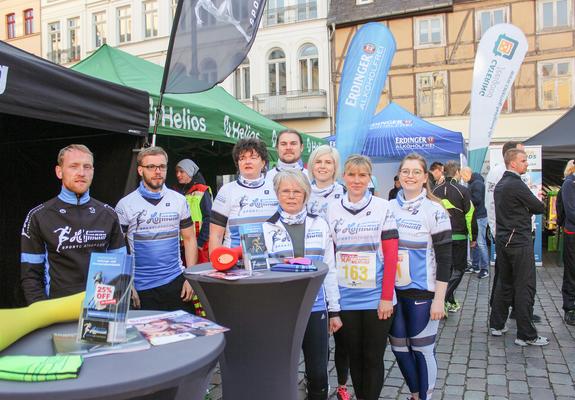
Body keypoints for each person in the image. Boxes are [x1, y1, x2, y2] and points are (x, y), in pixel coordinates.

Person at [262, 169, 342, 400]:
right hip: (282, 311)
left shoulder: (321, 224)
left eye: (297, 191)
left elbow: (329, 269)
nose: (291, 196)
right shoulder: (266, 228)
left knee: (318, 373)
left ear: (306, 194)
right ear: (277, 194)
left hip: (316, 308)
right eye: (285, 191)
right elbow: (258, 272)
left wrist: (334, 310)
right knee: (282, 371)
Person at [326, 155, 398, 400]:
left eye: (362, 175)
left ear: (370, 178)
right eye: (352, 175)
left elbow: (391, 257)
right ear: (343, 177)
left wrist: (386, 297)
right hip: (345, 297)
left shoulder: (382, 207)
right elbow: (330, 253)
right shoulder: (332, 208)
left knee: (373, 357)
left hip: (376, 297)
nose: (357, 180)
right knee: (354, 355)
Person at [21, 144, 126, 305]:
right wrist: (41, 313)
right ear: (59, 171)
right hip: (56, 310)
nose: (81, 173)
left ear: (93, 171)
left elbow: (120, 268)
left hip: (99, 309)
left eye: (87, 167)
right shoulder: (38, 216)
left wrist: (113, 309)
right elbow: (30, 276)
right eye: (73, 166)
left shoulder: (108, 214)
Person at [389, 153, 451, 400]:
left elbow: (447, 260)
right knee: (399, 348)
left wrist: (439, 299)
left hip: (423, 293)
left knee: (422, 349)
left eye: (416, 172)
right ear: (399, 176)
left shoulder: (435, 210)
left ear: (425, 177)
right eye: (406, 171)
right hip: (394, 293)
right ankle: (416, 395)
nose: (410, 176)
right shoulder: (389, 206)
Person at [115, 146, 198, 312]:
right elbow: (116, 248)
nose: (157, 171)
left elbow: (189, 239)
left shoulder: (179, 200)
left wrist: (191, 278)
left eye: (162, 166)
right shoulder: (125, 205)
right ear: (140, 170)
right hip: (141, 288)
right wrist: (125, 285)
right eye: (151, 167)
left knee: (184, 336)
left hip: (176, 283)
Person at [489, 149, 548, 346]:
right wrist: (528, 206)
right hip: (519, 241)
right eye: (523, 161)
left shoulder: (501, 184)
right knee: (525, 286)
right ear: (512, 163)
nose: (526, 164)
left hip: (503, 240)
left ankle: (497, 324)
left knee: (504, 283)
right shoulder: (515, 184)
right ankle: (526, 335)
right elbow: (539, 206)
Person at [305, 145, 349, 400]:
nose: (322, 166)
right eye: (318, 161)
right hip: (313, 270)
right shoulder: (303, 191)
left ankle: (342, 383)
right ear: (312, 165)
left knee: (341, 332)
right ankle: (316, 377)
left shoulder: (343, 194)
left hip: (341, 269)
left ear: (335, 167)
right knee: (317, 336)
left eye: (328, 162)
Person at [209, 138, 278, 251]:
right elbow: (215, 236)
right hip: (235, 261)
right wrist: (216, 264)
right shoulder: (226, 190)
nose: (247, 161)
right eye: (242, 158)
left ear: (263, 162)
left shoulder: (276, 188)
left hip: (270, 260)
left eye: (253, 157)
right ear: (238, 163)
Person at [432, 161, 477, 313]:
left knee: (445, 270)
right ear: (457, 172)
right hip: (458, 237)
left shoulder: (435, 190)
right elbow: (470, 216)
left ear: (444, 171)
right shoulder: (462, 190)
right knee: (458, 270)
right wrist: (473, 237)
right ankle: (441, 298)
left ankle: (449, 301)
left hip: (439, 238)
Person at [174, 159, 212, 264]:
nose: (178, 175)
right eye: (176, 172)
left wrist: (200, 243)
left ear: (190, 172)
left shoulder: (202, 190)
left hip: (200, 243)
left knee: (199, 275)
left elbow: (209, 218)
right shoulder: (176, 192)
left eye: (181, 171)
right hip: (181, 245)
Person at [461, 166, 489, 278]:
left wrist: (465, 200)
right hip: (476, 216)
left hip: (480, 217)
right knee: (476, 243)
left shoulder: (477, 183)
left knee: (481, 243)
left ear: (468, 174)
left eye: (463, 176)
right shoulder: (474, 182)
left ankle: (485, 268)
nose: (462, 179)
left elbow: (477, 200)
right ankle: (476, 266)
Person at [560, 159, 575, 325]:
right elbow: (571, 212)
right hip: (572, 233)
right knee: (571, 271)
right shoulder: (569, 184)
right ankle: (569, 307)